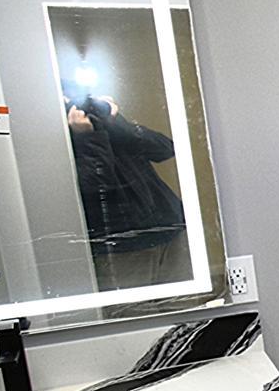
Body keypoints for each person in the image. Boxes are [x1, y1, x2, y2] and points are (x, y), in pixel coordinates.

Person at [65, 95, 189, 292]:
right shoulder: (61, 141)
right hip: (124, 248)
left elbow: (164, 148)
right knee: (139, 317)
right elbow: (99, 188)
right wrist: (87, 137)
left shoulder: (111, 128)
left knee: (186, 314)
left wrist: (116, 123)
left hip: (170, 227)